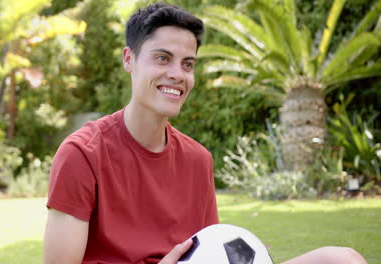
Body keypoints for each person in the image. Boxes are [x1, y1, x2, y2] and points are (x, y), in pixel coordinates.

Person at [43, 3, 367, 264]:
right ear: (130, 59)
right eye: (162, 58)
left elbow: (212, 247)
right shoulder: (83, 153)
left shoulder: (198, 160)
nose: (177, 75)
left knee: (342, 259)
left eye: (187, 64)